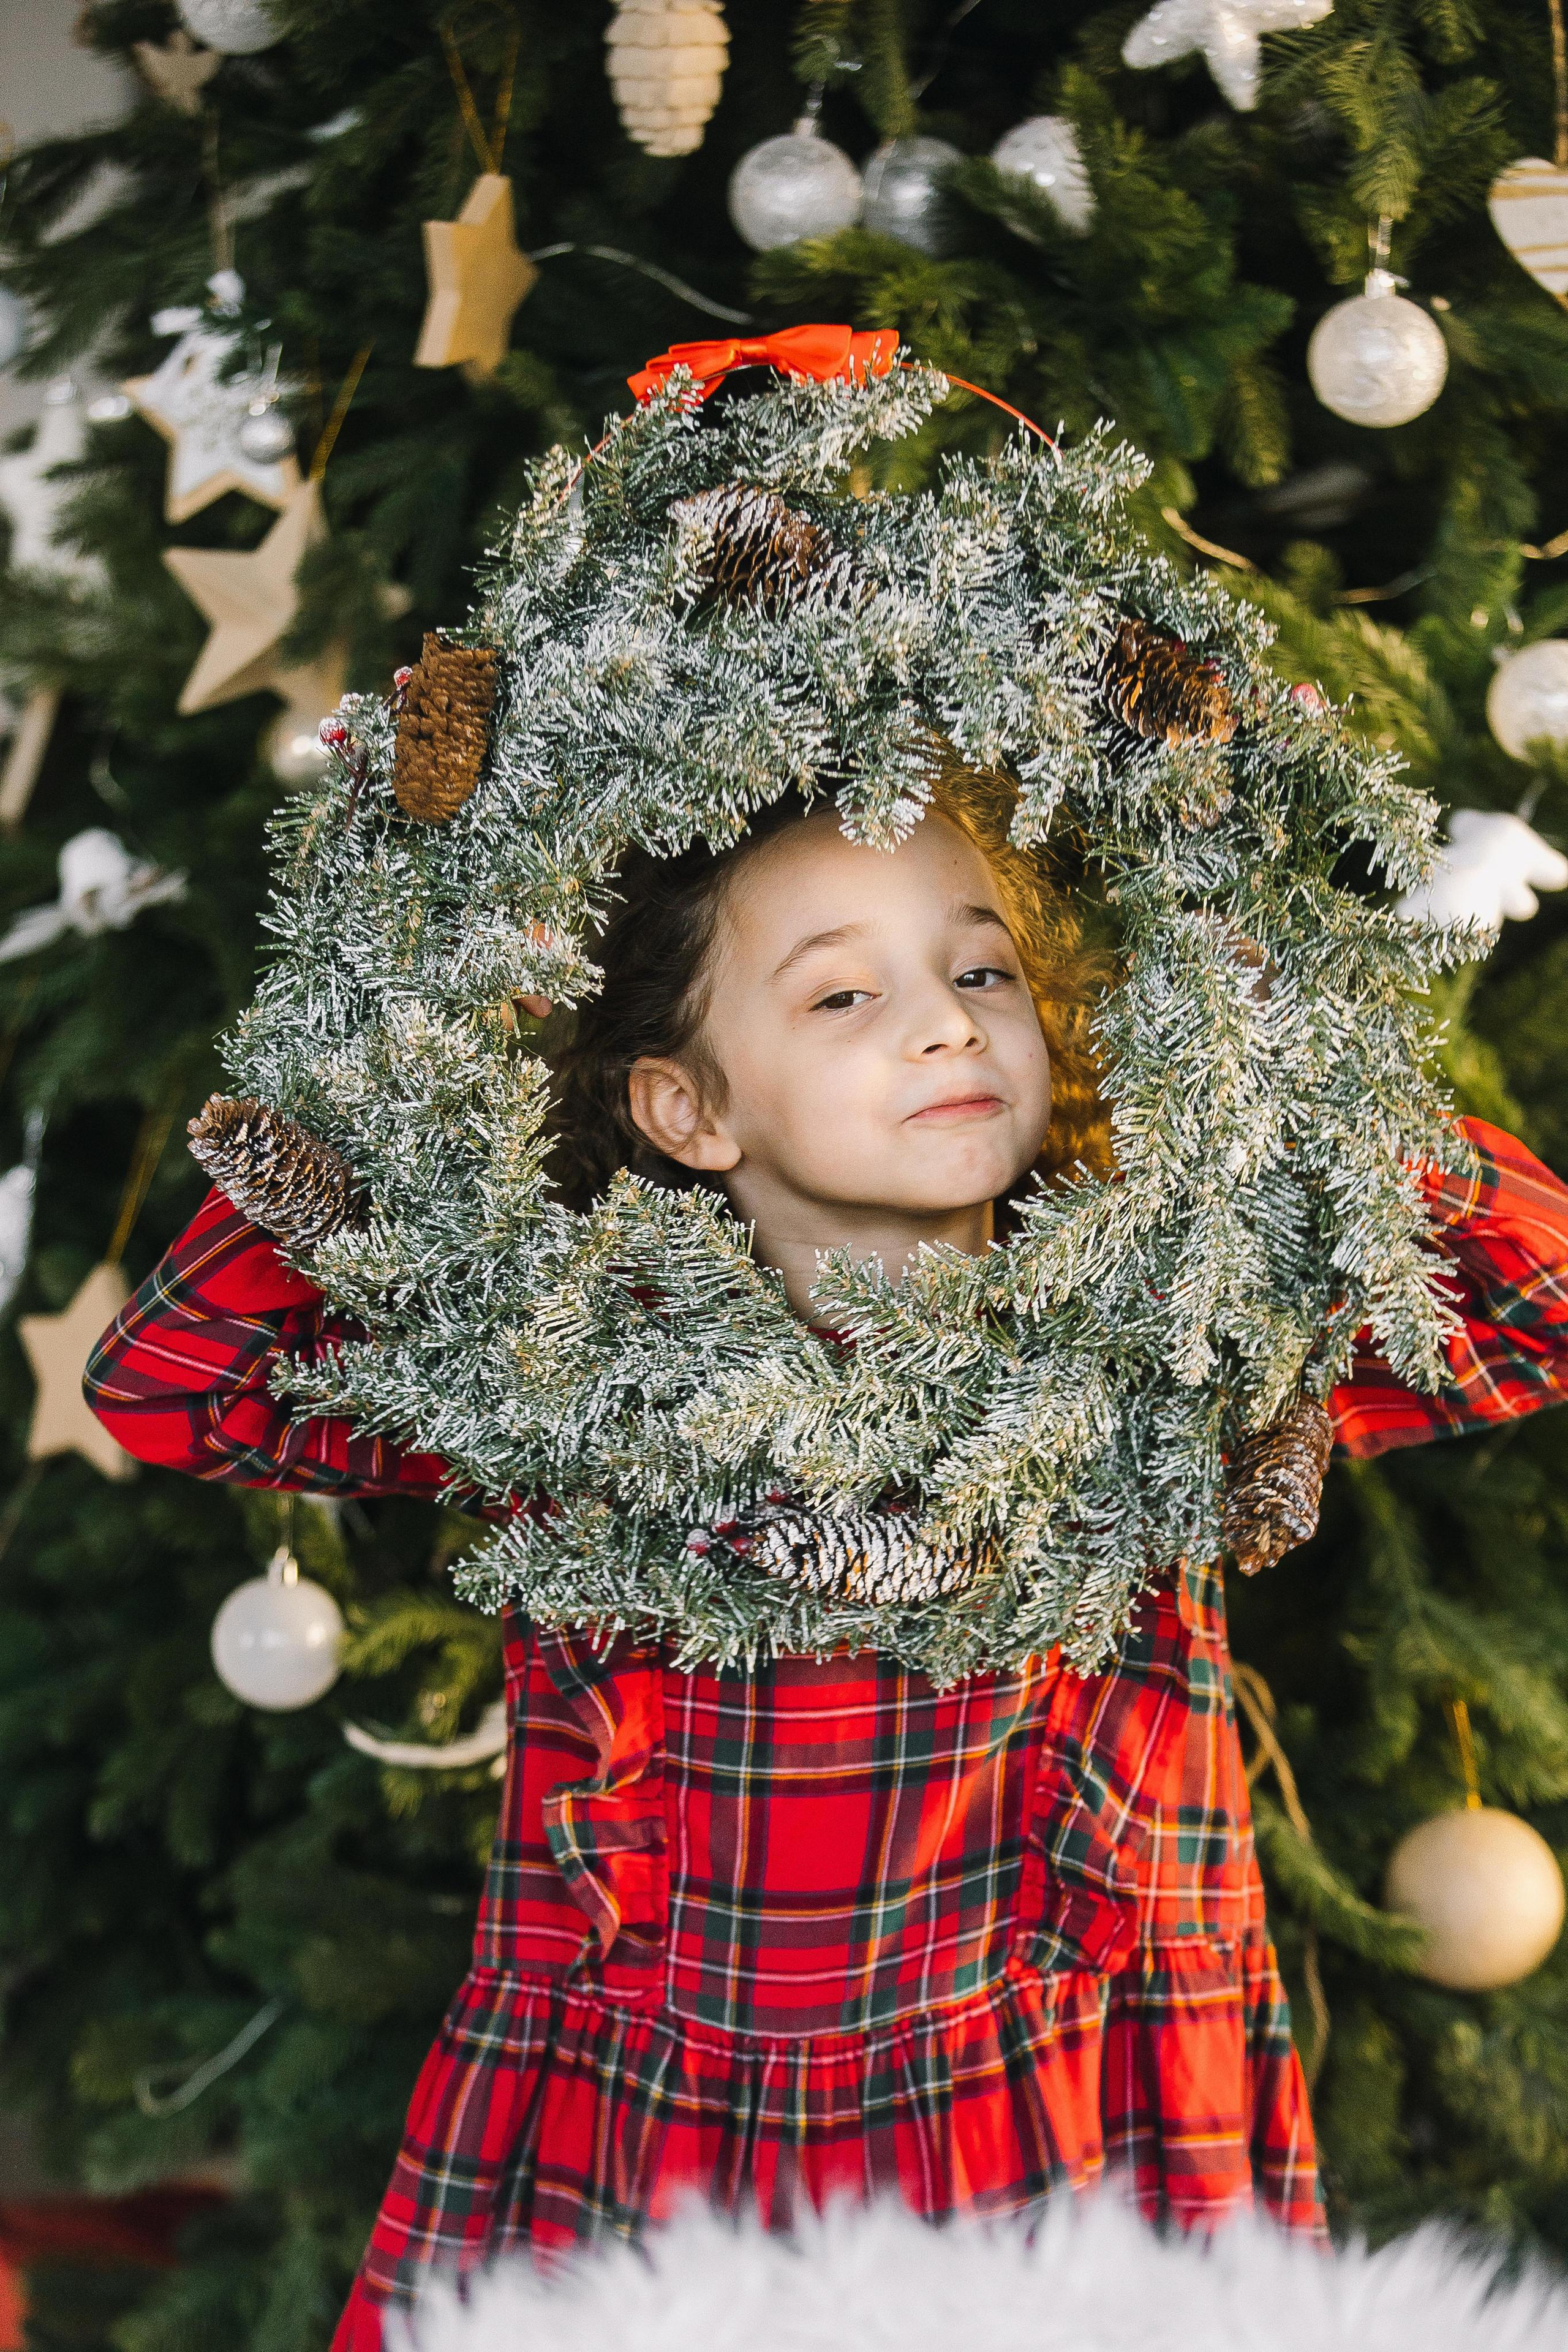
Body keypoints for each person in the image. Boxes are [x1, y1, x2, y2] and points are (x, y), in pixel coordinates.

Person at [85, 772, 1568, 2352]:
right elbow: (177, 1385)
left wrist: (1299, 1084)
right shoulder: (568, 1372)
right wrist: (383, 1098)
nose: (947, 1026)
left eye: (981, 972)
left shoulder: (1167, 1338)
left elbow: (1537, 1303)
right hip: (656, 2146)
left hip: (1080, 2119)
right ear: (689, 1107)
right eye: (848, 992)